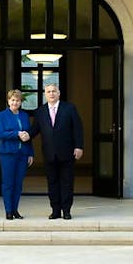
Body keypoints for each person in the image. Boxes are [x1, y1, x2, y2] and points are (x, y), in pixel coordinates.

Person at [27, 83, 83, 219]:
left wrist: (79, 146)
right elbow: (34, 130)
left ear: (59, 93)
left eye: (54, 91)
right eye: (48, 92)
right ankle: (55, 211)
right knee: (52, 184)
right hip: (49, 154)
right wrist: (25, 135)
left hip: (67, 153)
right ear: (45, 94)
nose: (51, 94)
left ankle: (67, 211)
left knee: (67, 183)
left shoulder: (69, 108)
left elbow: (77, 128)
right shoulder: (40, 111)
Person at [0, 89, 35, 220]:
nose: (15, 102)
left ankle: (15, 210)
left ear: (20, 102)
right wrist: (17, 134)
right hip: (7, 154)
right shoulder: (1, 116)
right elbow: (1, 134)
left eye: (17, 100)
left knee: (18, 184)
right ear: (8, 101)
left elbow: (29, 135)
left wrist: (30, 153)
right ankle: (8, 211)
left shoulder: (24, 115)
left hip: (23, 154)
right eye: (12, 100)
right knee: (8, 183)